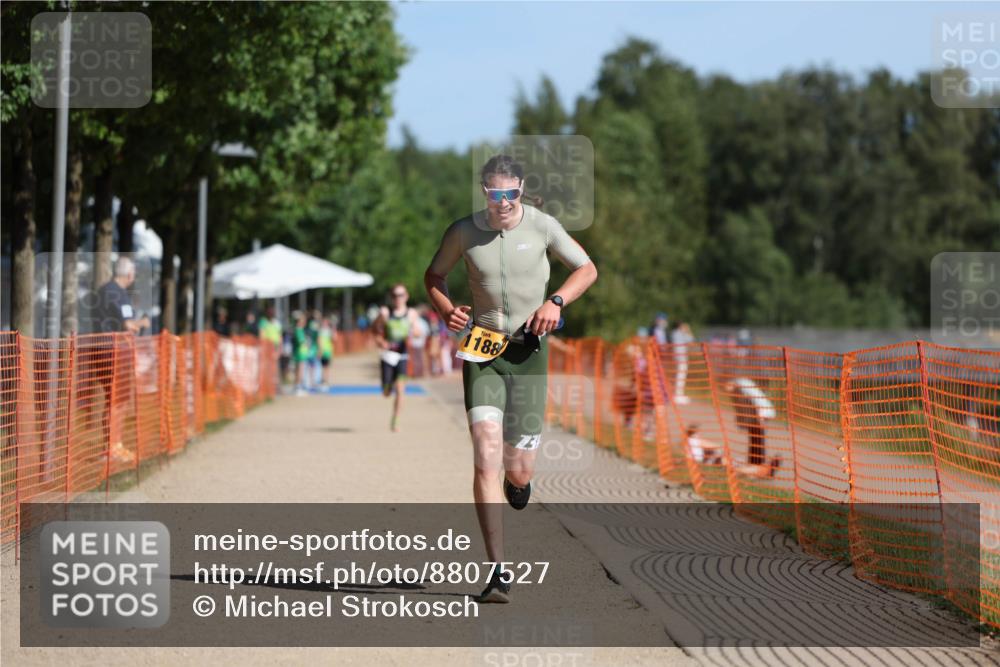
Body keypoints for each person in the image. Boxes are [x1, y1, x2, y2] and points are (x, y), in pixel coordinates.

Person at [425, 154, 598, 603]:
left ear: (521, 189)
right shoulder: (463, 231)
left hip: (528, 354)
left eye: (511, 194)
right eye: (494, 194)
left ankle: (517, 483)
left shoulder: (543, 226)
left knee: (517, 471)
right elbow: (434, 275)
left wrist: (555, 302)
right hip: (482, 351)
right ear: (483, 191)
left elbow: (587, 268)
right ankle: (498, 571)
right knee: (485, 455)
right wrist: (447, 308)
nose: (502, 203)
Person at [90, 257, 150, 465]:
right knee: (117, 399)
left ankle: (114, 445)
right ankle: (112, 447)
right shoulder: (117, 293)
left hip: (103, 350)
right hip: (113, 352)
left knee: (114, 398)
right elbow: (129, 326)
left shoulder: (105, 290)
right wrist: (143, 322)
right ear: (130, 275)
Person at [373, 284, 422, 432]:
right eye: (395, 295)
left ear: (406, 296)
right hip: (387, 356)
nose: (398, 298)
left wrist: (414, 332)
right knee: (386, 392)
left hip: (403, 356)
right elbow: (375, 331)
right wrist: (381, 341)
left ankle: (395, 420)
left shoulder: (411, 313)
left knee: (401, 390)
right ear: (391, 297)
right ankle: (387, 386)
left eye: (401, 295)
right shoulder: (385, 312)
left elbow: (419, 332)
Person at [724, 377, 781, 478]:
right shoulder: (738, 388)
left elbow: (756, 400)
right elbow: (741, 407)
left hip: (761, 414)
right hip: (755, 416)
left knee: (758, 440)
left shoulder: (743, 386)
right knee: (755, 440)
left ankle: (757, 466)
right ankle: (755, 466)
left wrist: (761, 416)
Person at [671, 322, 694, 405]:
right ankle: (678, 395)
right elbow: (691, 339)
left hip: (676, 357)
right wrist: (687, 330)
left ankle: (676, 394)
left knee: (677, 376)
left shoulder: (674, 333)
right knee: (681, 376)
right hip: (681, 358)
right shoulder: (681, 333)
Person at [318, 316, 335, 385]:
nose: (325, 323)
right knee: (322, 366)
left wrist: (333, 331)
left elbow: (334, 339)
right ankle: (323, 380)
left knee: (327, 366)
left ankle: (326, 380)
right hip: (322, 351)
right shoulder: (320, 331)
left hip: (328, 351)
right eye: (324, 322)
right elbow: (319, 340)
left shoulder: (329, 331)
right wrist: (320, 350)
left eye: (326, 322)